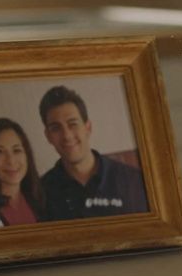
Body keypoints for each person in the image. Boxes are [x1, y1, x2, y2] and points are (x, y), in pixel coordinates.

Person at [37, 84, 149, 220]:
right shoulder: (40, 193)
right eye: (56, 128)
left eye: (72, 124)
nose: (66, 135)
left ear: (88, 128)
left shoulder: (134, 181)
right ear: (48, 136)